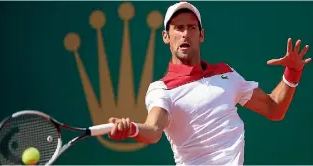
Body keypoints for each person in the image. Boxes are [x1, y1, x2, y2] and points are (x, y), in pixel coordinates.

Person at [107, 1, 311, 165]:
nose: (185, 34)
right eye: (178, 28)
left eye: (191, 27)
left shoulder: (226, 74)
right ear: (166, 37)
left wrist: (293, 72)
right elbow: (153, 130)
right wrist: (132, 128)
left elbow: (274, 109)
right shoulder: (162, 89)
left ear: (201, 35)